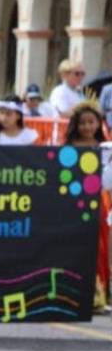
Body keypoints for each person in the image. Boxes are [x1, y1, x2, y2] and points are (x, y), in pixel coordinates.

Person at [63, 104, 111, 311]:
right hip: (75, 201)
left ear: (98, 124)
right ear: (76, 125)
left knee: (99, 245)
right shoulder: (69, 147)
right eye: (82, 123)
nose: (87, 127)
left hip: (99, 200)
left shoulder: (105, 147)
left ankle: (99, 293)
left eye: (91, 122)